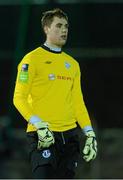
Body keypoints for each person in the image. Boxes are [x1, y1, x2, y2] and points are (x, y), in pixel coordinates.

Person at [13, 8, 97, 179]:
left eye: (66, 26)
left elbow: (78, 102)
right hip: (44, 136)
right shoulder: (31, 60)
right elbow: (19, 98)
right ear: (46, 29)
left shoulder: (72, 64)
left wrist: (89, 133)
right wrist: (38, 124)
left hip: (70, 137)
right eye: (58, 26)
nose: (64, 30)